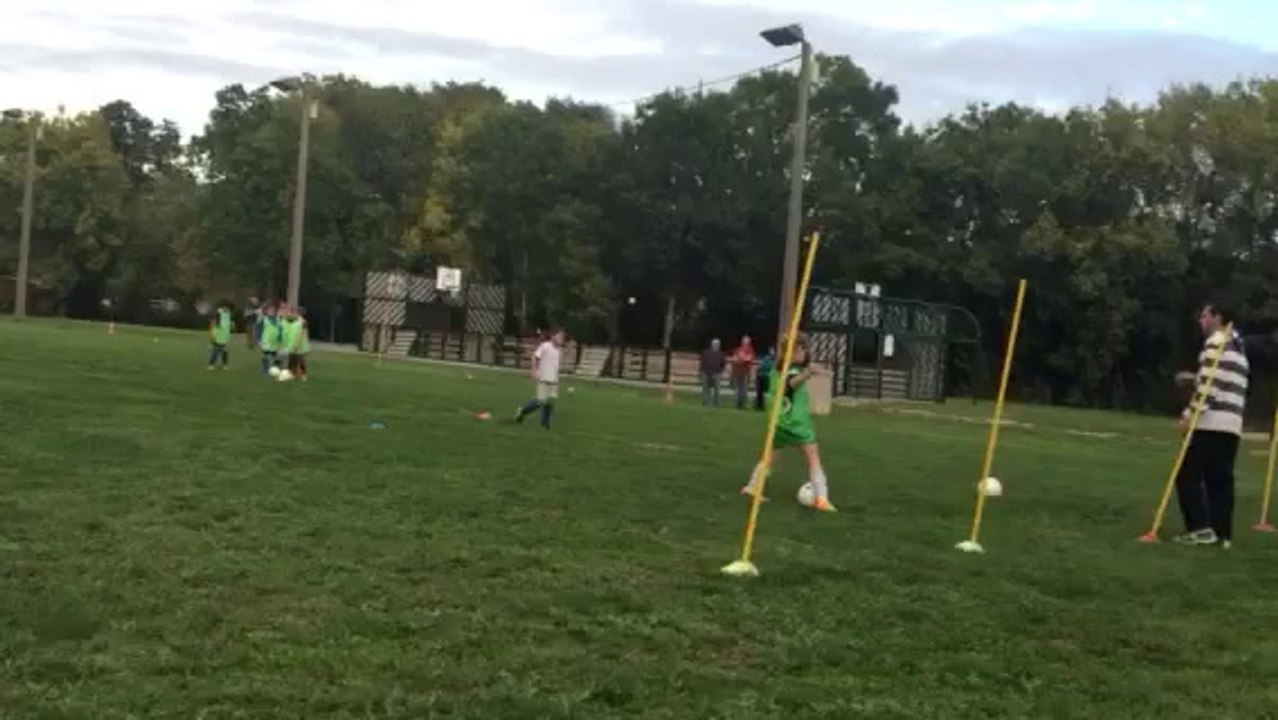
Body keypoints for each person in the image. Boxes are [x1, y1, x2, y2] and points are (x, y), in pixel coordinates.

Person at [1175, 302, 1248, 548]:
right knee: (1220, 480)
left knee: (1187, 476)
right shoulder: (1238, 346)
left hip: (1211, 422)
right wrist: (1195, 378)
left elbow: (1209, 388)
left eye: (1205, 316)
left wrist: (1189, 414)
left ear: (1218, 317)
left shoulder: (1216, 341)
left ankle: (1199, 529)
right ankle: (1222, 534)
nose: (1201, 320)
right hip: (1233, 424)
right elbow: (1222, 380)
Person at [740, 334, 837, 512]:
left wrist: (816, 370)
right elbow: (790, 384)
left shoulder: (776, 368)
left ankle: (752, 487)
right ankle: (822, 498)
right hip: (795, 422)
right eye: (803, 349)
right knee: (813, 457)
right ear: (795, 350)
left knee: (770, 456)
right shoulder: (791, 370)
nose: (806, 352)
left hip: (778, 421)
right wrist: (807, 374)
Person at [514, 328, 565, 429]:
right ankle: (522, 411)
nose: (561, 338)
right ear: (553, 336)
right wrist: (534, 371)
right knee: (541, 401)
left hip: (554, 380)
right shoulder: (545, 346)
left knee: (550, 403)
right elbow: (534, 357)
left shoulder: (559, 350)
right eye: (559, 336)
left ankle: (544, 424)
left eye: (562, 337)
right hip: (543, 378)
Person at [730, 335, 757, 410]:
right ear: (742, 341)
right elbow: (734, 359)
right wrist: (742, 359)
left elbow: (748, 359)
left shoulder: (751, 350)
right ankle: (737, 404)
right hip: (737, 371)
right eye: (744, 340)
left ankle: (742, 404)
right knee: (737, 389)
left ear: (749, 342)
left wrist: (741, 359)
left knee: (744, 389)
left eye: (747, 340)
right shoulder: (737, 349)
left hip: (745, 372)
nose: (745, 342)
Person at [257, 302, 282, 376]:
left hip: (275, 343)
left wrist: (280, 338)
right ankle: (264, 371)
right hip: (266, 342)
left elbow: (280, 329)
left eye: (273, 310)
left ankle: (272, 370)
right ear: (267, 311)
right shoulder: (263, 320)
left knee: (274, 356)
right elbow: (259, 330)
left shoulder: (278, 319)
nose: (272, 312)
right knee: (266, 356)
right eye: (270, 310)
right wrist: (259, 340)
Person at [207, 303, 232, 370]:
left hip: (224, 337)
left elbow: (227, 326)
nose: (226, 309)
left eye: (227, 308)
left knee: (224, 351)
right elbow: (213, 324)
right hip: (217, 335)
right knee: (217, 350)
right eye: (225, 307)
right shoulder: (218, 314)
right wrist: (212, 335)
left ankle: (224, 365)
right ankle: (211, 364)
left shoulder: (228, 315)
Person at [700, 338, 724, 406]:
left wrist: (720, 371)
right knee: (706, 388)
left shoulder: (721, 354)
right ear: (712, 344)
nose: (716, 345)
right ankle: (705, 402)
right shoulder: (706, 352)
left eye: (717, 344)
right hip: (706, 372)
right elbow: (702, 362)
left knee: (717, 389)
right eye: (714, 344)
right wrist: (702, 371)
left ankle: (716, 403)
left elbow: (723, 364)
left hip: (716, 373)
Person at [755, 346, 776, 411]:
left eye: (773, 350)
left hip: (767, 377)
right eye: (771, 350)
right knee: (760, 392)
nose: (772, 352)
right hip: (762, 376)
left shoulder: (774, 359)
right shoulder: (766, 358)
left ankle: (765, 406)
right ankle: (759, 406)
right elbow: (761, 367)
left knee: (766, 393)